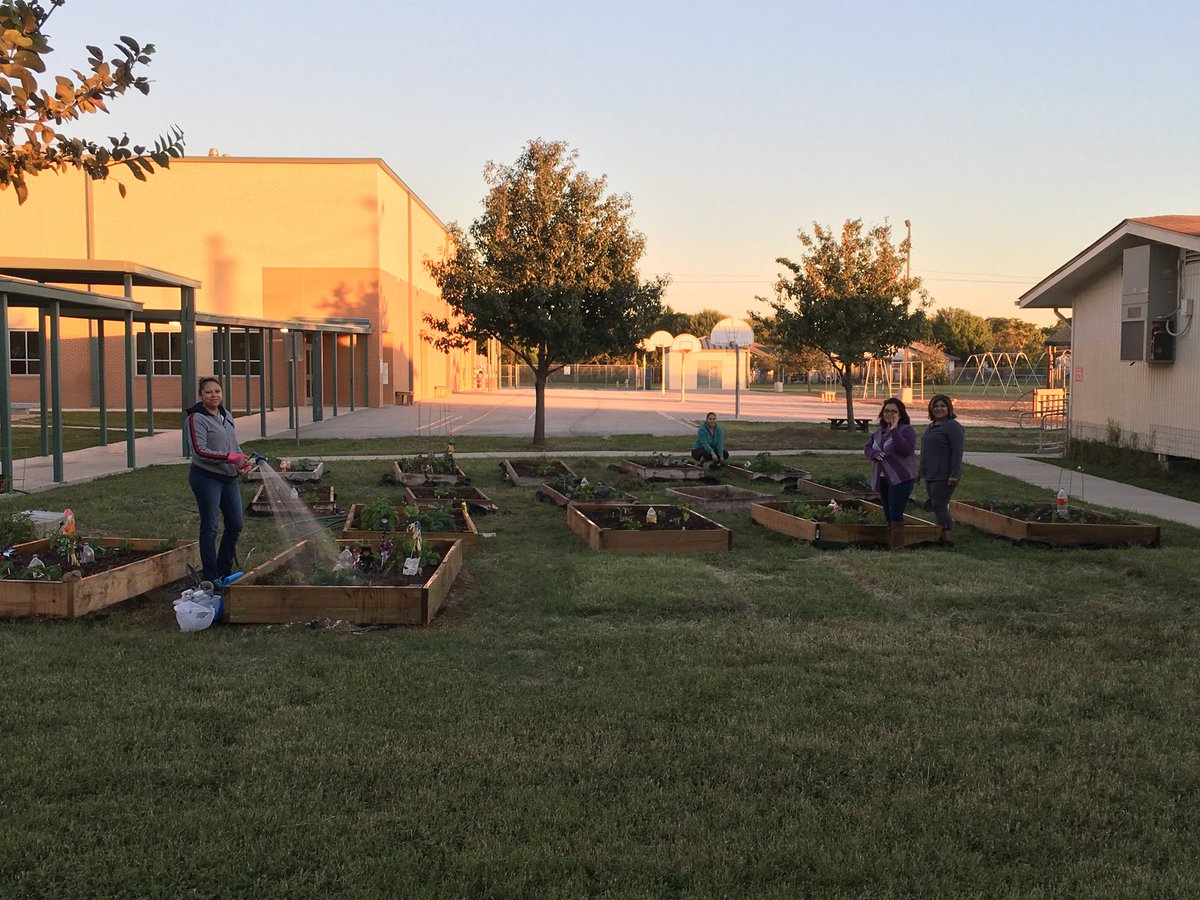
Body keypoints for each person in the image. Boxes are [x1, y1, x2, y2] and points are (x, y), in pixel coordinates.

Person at [186, 376, 252, 583]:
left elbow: (233, 444)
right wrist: (229, 458)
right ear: (201, 395)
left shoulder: (226, 415)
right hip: (206, 479)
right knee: (210, 527)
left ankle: (224, 570)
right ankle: (211, 576)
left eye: (217, 391)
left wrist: (241, 460)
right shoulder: (196, 418)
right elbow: (199, 451)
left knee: (235, 524)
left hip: (229, 478)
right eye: (208, 392)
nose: (214, 395)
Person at [863, 397, 917, 551]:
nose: (889, 414)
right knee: (887, 511)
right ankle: (891, 543)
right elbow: (868, 448)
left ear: (901, 414)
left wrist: (894, 430)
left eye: (894, 411)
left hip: (901, 478)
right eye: (887, 411)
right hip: (883, 478)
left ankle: (897, 547)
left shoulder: (906, 430)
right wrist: (873, 453)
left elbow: (906, 450)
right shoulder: (878, 432)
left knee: (895, 512)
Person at [918, 393, 965, 545]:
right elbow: (925, 451)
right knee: (936, 504)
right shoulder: (931, 426)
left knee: (939, 504)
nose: (939, 409)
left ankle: (947, 538)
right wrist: (920, 471)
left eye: (943, 406)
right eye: (936, 406)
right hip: (930, 473)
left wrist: (954, 474)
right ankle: (940, 534)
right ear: (931, 409)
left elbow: (957, 452)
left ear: (949, 408)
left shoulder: (952, 427)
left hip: (944, 474)